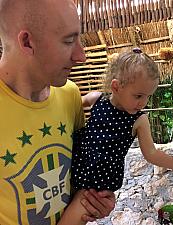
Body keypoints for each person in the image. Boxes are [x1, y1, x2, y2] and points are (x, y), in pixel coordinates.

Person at [0, 0, 115, 224]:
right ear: (27, 42)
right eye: (69, 40)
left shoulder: (70, 95)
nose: (82, 56)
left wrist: (94, 200)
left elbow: (77, 185)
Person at [58, 48, 173, 224]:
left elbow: (151, 153)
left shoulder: (139, 120)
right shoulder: (96, 99)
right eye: (138, 95)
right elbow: (68, 105)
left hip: (94, 189)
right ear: (116, 86)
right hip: (71, 174)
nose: (143, 102)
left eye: (147, 96)